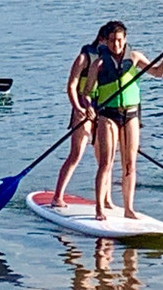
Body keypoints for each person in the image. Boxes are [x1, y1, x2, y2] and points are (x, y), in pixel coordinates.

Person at [82, 21, 163, 220]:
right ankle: (100, 208)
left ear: (125, 39)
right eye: (112, 41)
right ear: (106, 41)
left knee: (130, 165)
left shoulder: (135, 57)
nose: (116, 45)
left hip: (131, 115)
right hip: (108, 115)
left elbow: (158, 73)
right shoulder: (98, 64)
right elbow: (86, 93)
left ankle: (128, 209)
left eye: (119, 40)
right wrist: (89, 108)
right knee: (106, 163)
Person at [51, 23, 111, 208]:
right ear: (101, 39)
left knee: (105, 158)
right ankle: (57, 197)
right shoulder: (84, 58)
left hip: (103, 109)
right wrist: (77, 107)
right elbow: (71, 86)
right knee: (76, 154)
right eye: (109, 41)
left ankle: (106, 199)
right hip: (83, 108)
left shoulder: (111, 60)